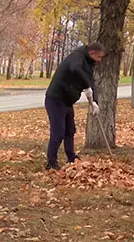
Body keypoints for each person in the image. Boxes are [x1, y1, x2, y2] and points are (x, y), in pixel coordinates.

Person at [44, 42, 105, 170]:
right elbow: (75, 69)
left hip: (67, 101)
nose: (100, 60)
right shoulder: (77, 56)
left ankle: (71, 158)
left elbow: (91, 82)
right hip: (55, 99)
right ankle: (51, 162)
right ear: (92, 53)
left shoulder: (89, 64)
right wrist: (86, 86)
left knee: (70, 131)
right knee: (58, 133)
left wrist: (95, 102)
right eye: (99, 57)